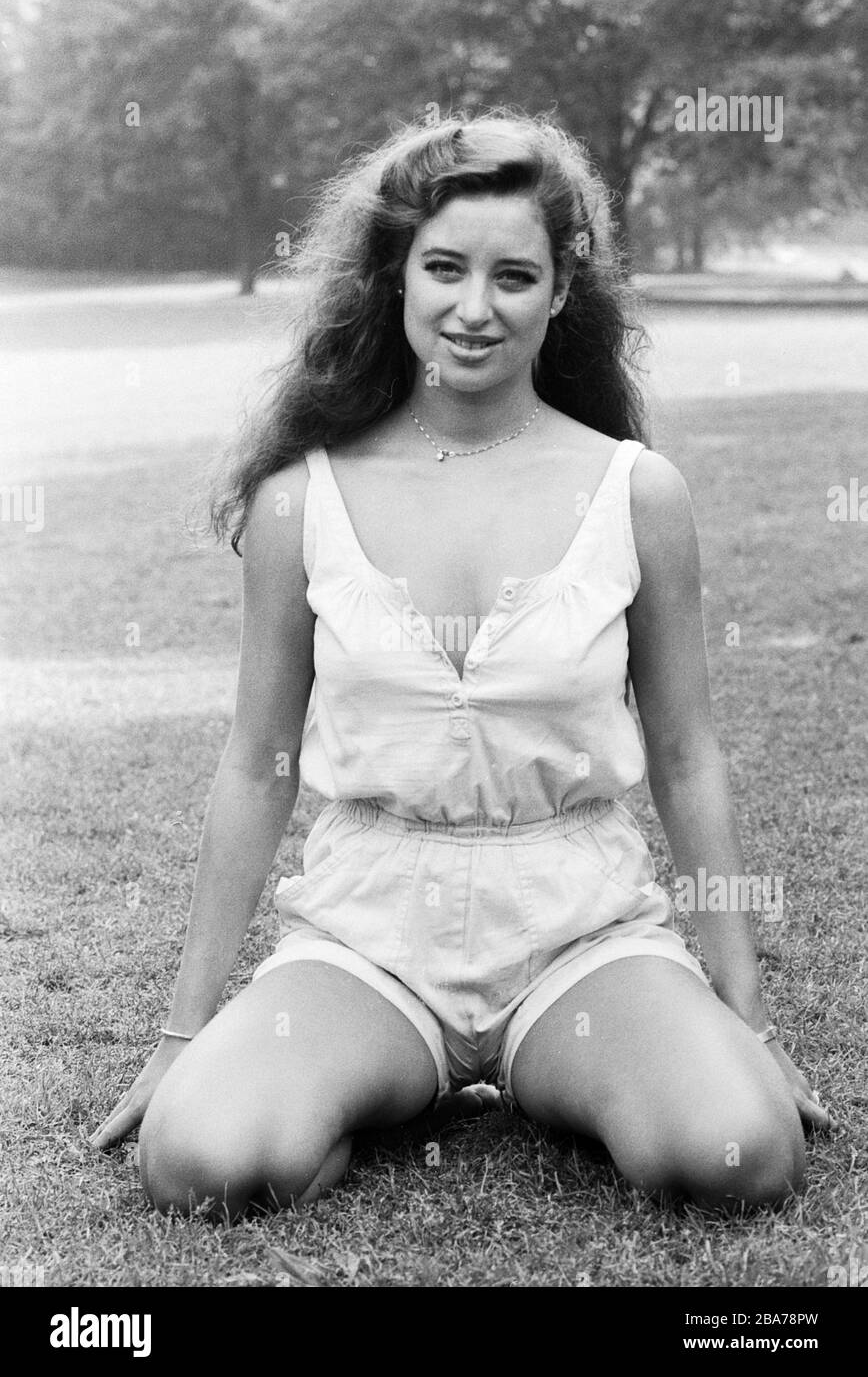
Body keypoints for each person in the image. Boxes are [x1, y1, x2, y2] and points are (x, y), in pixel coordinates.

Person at [90, 109, 830, 1221]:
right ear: (395, 275)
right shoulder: (303, 499)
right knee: (206, 1164)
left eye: (513, 276)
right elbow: (256, 765)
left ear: (561, 291)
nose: (474, 308)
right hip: (367, 934)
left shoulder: (638, 493)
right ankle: (383, 1079)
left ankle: (565, 1071)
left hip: (579, 932)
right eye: (443, 268)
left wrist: (744, 1014)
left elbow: (684, 757)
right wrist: (183, 1034)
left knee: (734, 1156)